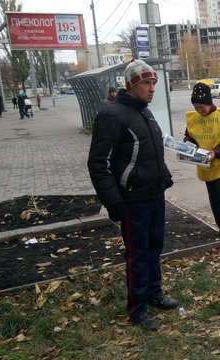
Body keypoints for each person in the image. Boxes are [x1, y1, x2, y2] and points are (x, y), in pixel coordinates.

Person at [87, 59, 177, 331]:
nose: (151, 88)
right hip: (132, 200)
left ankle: (153, 292)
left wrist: (164, 175)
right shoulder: (112, 115)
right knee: (137, 254)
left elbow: (150, 150)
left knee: (154, 247)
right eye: (146, 83)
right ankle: (137, 308)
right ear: (131, 84)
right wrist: (113, 201)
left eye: (153, 83)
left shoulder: (145, 112)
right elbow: (97, 163)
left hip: (154, 195)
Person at [185, 82, 220, 236]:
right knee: (213, 194)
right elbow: (189, 137)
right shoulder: (193, 118)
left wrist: (216, 151)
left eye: (201, 107)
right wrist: (187, 147)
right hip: (205, 163)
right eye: (196, 107)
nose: (199, 110)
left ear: (210, 103)